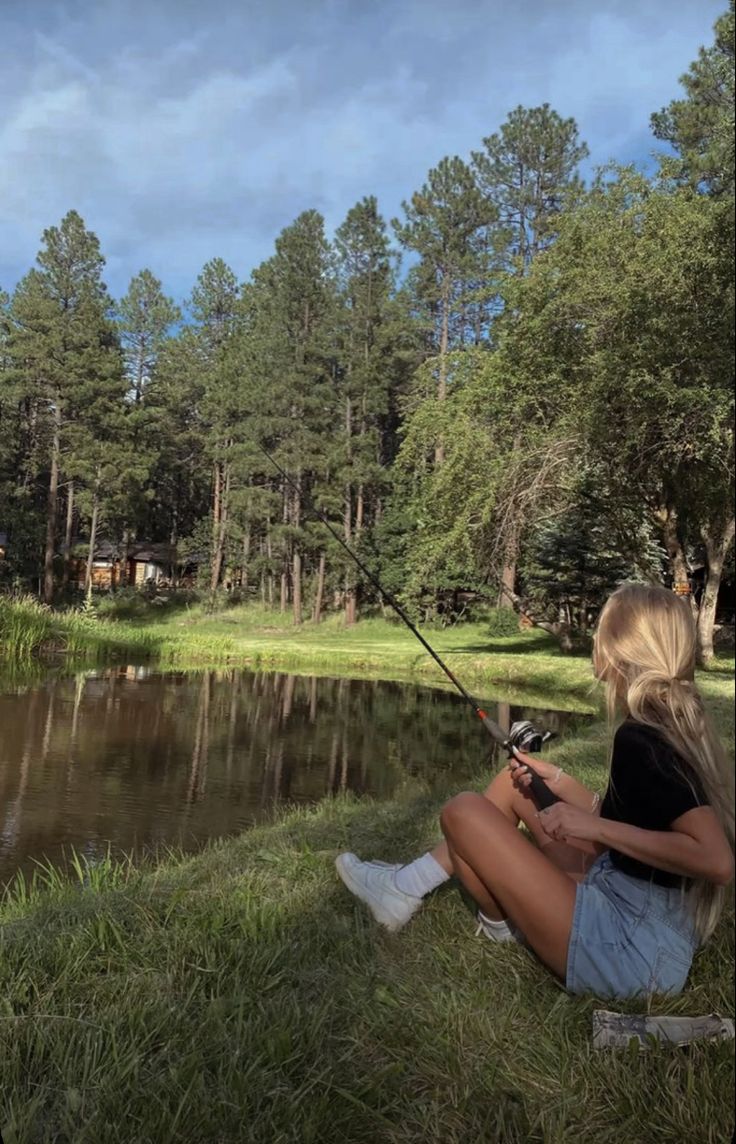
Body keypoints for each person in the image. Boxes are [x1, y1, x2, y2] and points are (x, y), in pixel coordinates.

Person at [335, 584, 734, 998]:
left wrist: (596, 830)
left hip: (632, 952)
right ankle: (406, 887)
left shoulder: (641, 739)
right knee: (514, 785)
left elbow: (716, 860)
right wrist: (556, 779)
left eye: (601, 629)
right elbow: (635, 816)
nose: (594, 640)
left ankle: (478, 915)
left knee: (463, 811)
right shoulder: (664, 723)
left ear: (621, 647)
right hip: (647, 923)